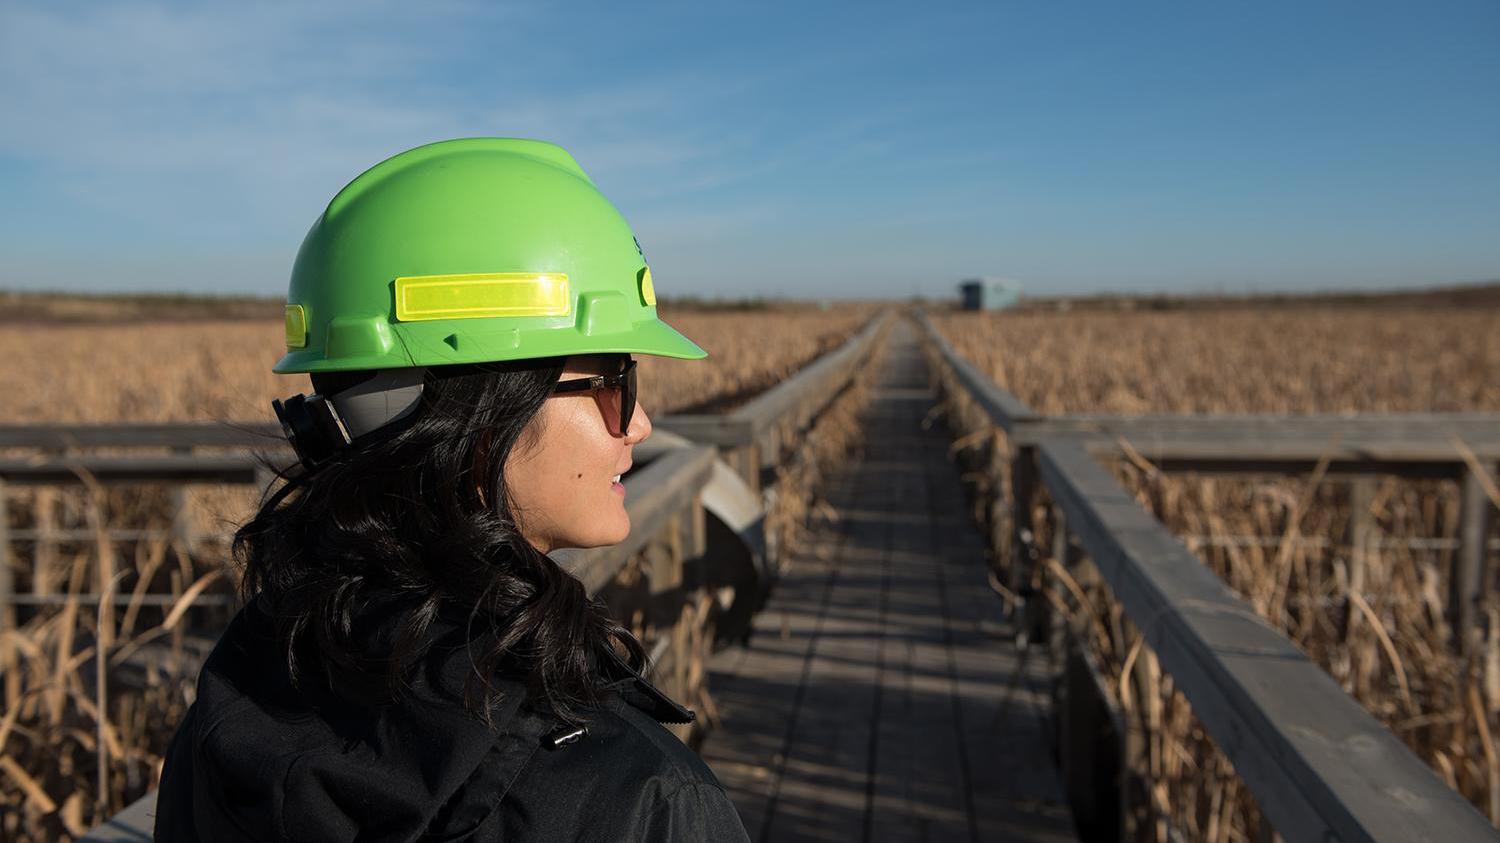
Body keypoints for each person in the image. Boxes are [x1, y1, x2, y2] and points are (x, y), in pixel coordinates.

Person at [153, 138, 752, 842]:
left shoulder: (244, 689)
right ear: (479, 422)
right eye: (614, 380)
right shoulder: (641, 799)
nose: (641, 424)